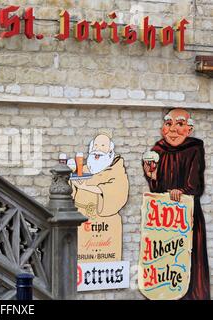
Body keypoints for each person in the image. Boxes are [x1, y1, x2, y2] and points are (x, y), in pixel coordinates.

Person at [143, 108, 210, 300]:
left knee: (189, 258)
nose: (173, 129)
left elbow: (196, 185)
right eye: (168, 123)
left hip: (187, 217)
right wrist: (152, 175)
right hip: (164, 219)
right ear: (163, 128)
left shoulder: (194, 148)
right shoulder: (157, 150)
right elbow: (156, 188)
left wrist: (182, 191)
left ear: (189, 130)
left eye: (180, 124)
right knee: (164, 259)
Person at [70, 131, 129, 262]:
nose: (98, 149)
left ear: (110, 150)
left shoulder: (117, 170)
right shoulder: (83, 169)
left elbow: (115, 189)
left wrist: (85, 187)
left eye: (103, 145)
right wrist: (72, 181)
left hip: (105, 223)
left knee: (105, 259)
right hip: (82, 220)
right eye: (96, 145)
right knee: (81, 258)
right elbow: (71, 191)